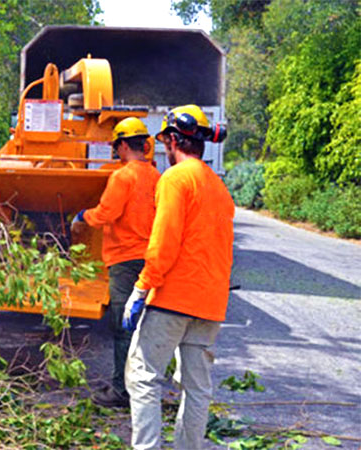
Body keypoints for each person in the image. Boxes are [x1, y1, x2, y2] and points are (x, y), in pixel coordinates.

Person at [121, 104, 231, 449]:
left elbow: (164, 242)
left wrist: (140, 289)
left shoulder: (175, 178)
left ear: (172, 140)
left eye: (165, 141)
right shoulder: (219, 188)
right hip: (210, 305)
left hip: (172, 299)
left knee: (143, 377)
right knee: (197, 389)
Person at [70, 117, 161, 407]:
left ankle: (121, 392)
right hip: (150, 259)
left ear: (122, 145)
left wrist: (82, 216)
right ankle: (144, 384)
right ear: (144, 144)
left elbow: (105, 214)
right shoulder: (156, 176)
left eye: (116, 147)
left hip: (124, 260)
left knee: (123, 326)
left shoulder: (122, 177)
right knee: (144, 325)